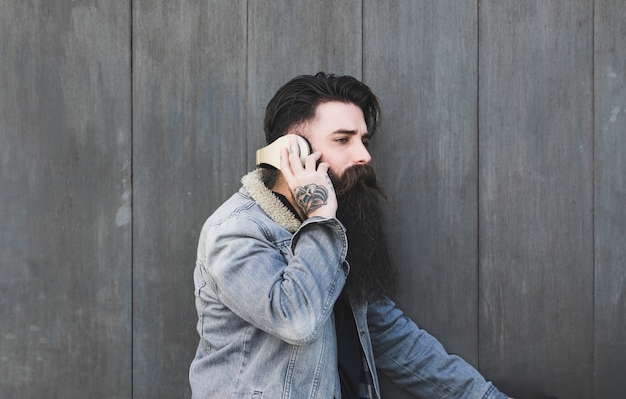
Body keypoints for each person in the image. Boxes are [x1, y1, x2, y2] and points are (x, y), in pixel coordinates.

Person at [189, 72, 512, 398]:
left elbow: (392, 336)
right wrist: (320, 218)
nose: (364, 156)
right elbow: (295, 320)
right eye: (343, 140)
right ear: (291, 152)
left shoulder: (338, 228)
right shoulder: (235, 232)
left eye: (364, 141)